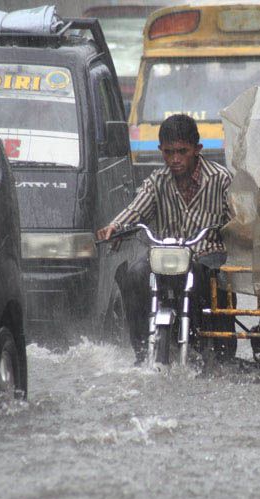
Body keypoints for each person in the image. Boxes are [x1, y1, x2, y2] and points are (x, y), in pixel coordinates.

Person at [96, 114, 234, 363]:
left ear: (197, 149)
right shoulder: (156, 182)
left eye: (182, 151)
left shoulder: (221, 179)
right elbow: (136, 209)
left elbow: (237, 220)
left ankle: (219, 350)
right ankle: (141, 351)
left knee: (218, 282)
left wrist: (236, 231)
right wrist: (115, 227)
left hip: (205, 257)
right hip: (164, 256)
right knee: (135, 275)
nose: (175, 159)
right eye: (169, 152)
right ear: (161, 151)